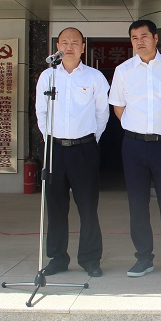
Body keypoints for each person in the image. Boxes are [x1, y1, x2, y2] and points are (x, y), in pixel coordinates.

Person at [109, 20, 161, 277]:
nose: (139, 41)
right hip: (133, 146)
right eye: (134, 38)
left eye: (144, 36)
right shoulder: (123, 70)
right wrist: (136, 128)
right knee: (137, 203)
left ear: (156, 38)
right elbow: (118, 107)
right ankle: (143, 258)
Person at [35, 27, 110, 277]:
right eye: (65, 42)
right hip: (54, 149)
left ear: (83, 47)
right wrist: (50, 140)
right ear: (57, 46)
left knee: (88, 207)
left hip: (84, 149)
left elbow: (102, 114)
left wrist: (90, 140)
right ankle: (57, 258)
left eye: (75, 42)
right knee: (56, 207)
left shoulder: (94, 77)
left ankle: (90, 259)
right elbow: (41, 112)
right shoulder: (48, 76)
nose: (69, 47)